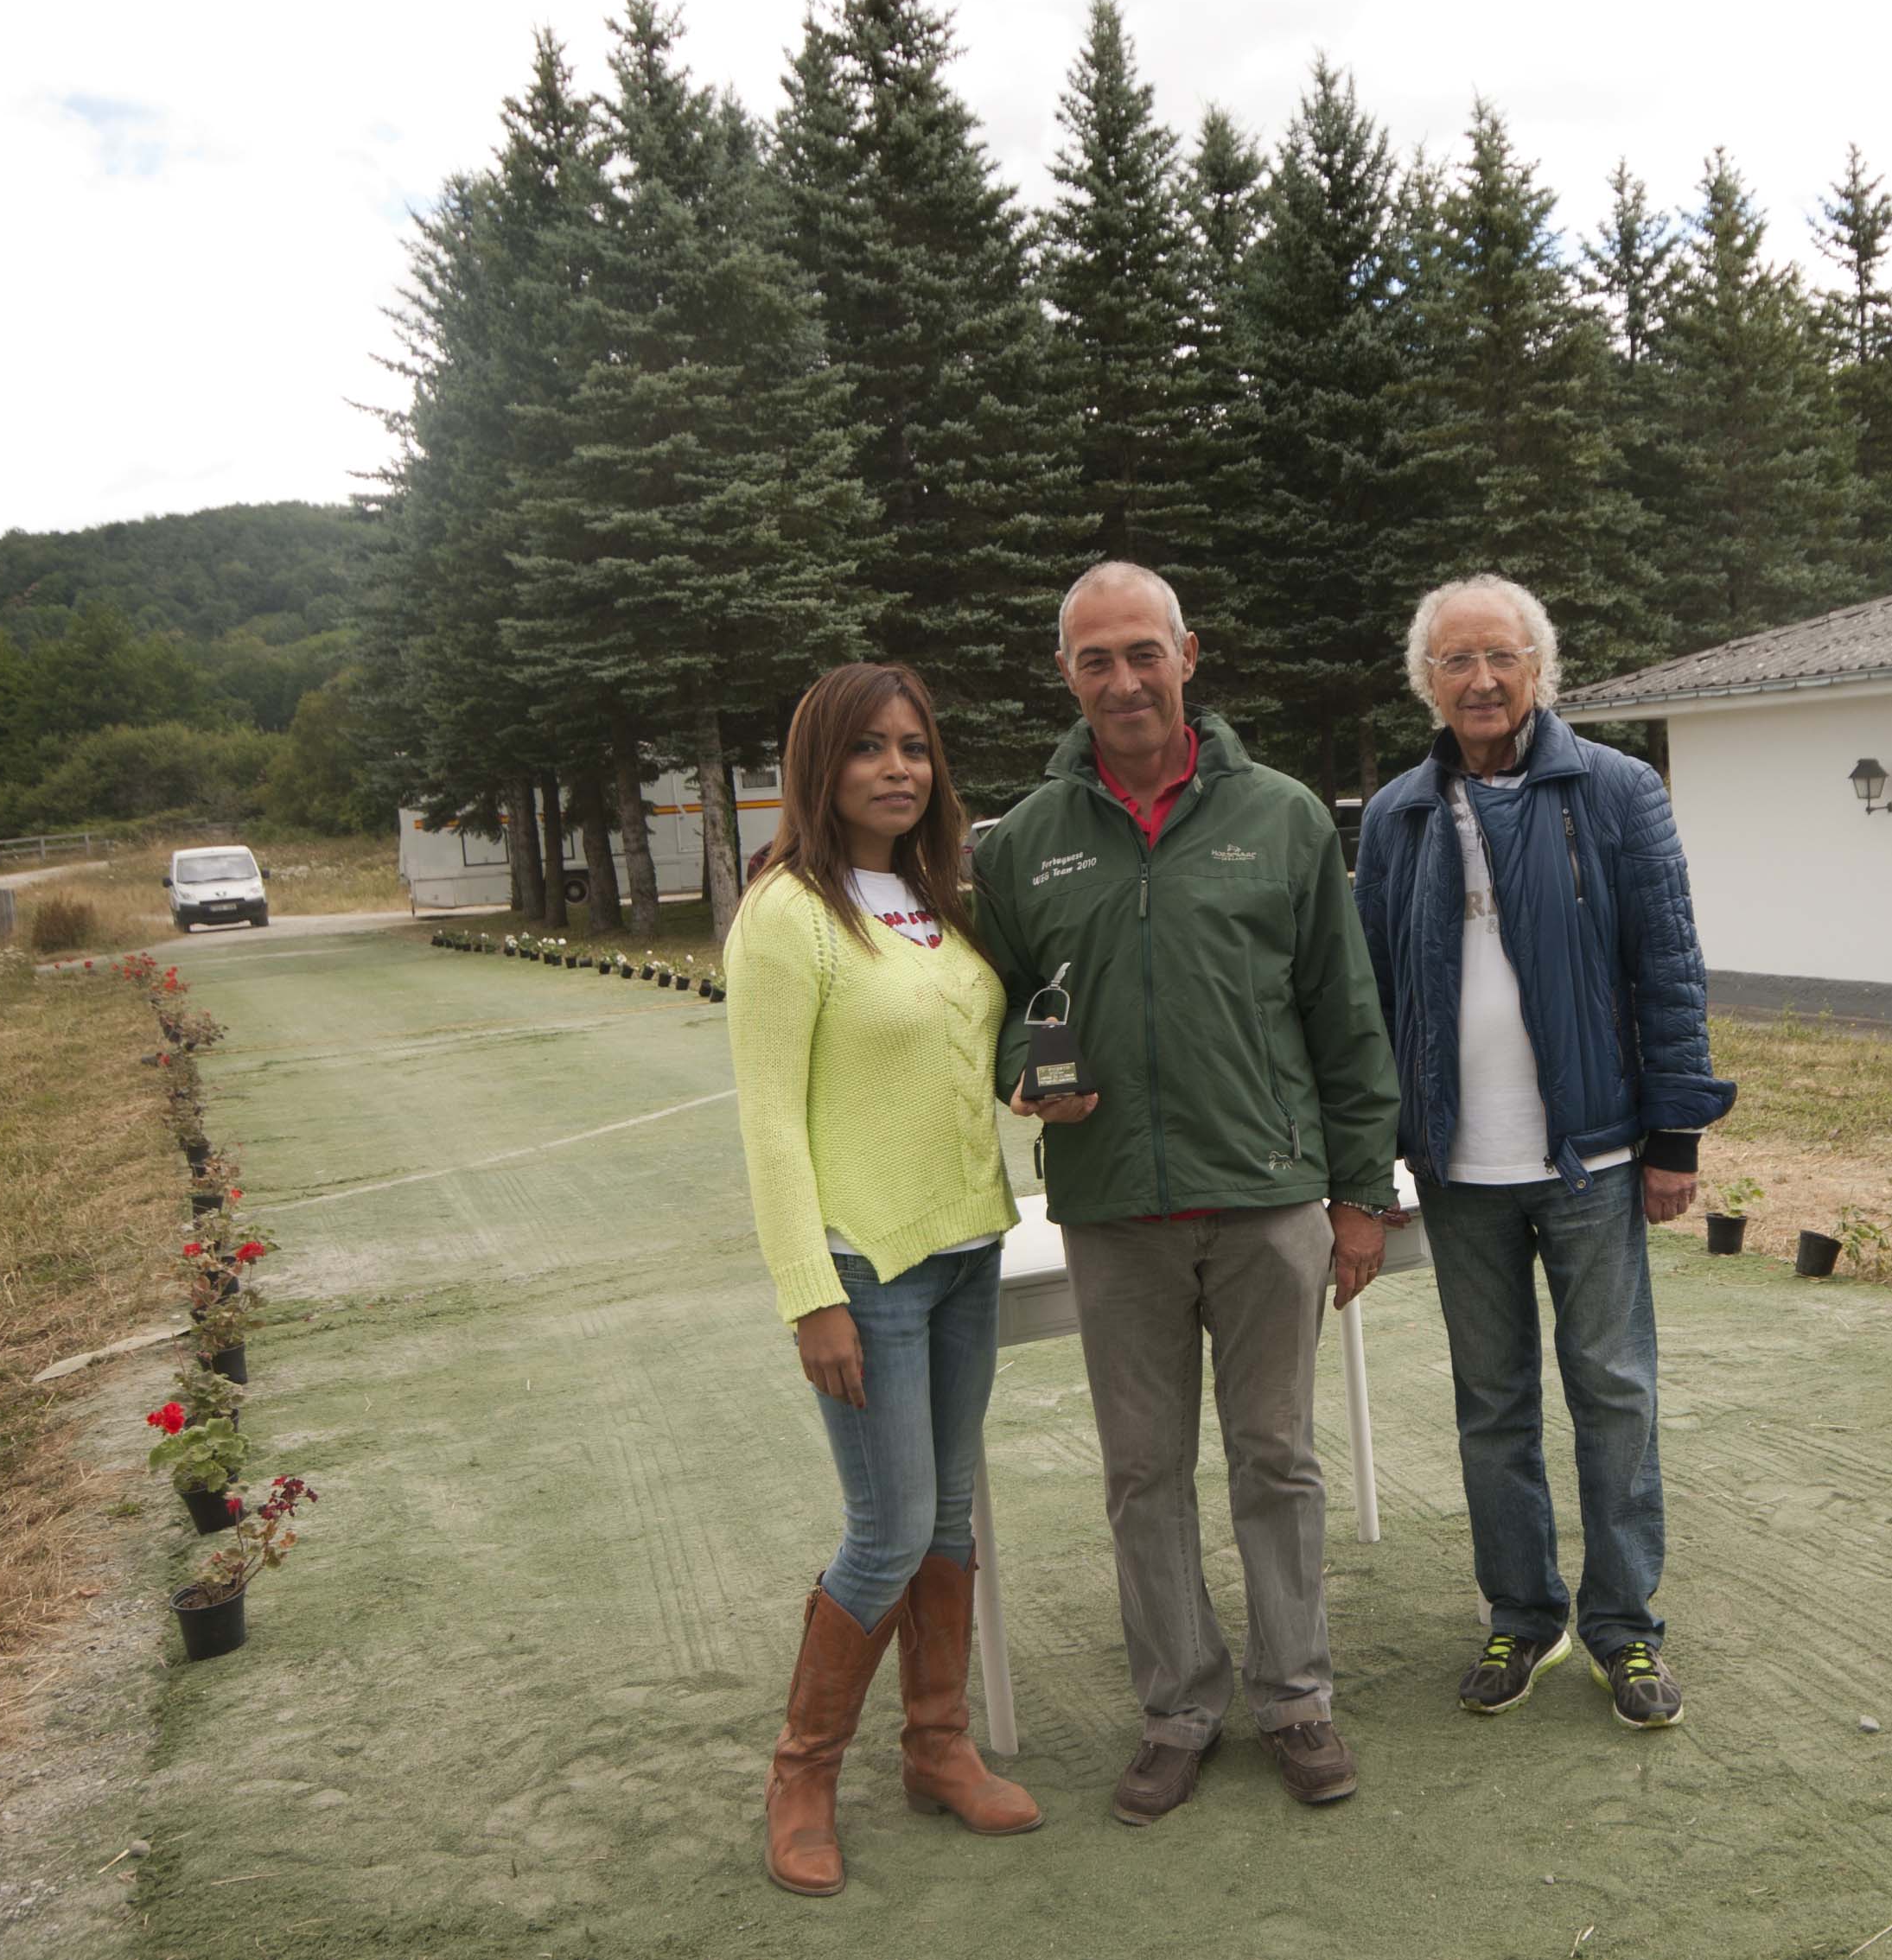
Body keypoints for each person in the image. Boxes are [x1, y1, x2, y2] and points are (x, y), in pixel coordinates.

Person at [974, 562, 1403, 1824]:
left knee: (1275, 1455)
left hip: (1267, 1195)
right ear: (1067, 675)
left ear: (1187, 655)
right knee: (1140, 1471)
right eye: (1094, 659)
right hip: (1111, 1209)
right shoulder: (1026, 841)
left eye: (1141, 652)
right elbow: (997, 1010)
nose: (1122, 680)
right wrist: (1022, 1076)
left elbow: (1345, 1013)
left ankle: (1295, 1697)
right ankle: (1177, 1708)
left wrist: (1359, 1192)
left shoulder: (1282, 816)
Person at [1353, 576, 1735, 1729]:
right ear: (1427, 680)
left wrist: (1673, 1132)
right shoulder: (1394, 816)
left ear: (1539, 669)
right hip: (1458, 1169)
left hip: (1597, 1158)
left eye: (1501, 657)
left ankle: (1624, 1629)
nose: (1480, 680)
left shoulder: (1615, 792)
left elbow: (1667, 966)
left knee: (1612, 1391)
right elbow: (1366, 1000)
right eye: (1456, 661)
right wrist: (1377, 1160)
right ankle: (1522, 1615)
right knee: (1490, 1402)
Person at [723, 661, 1038, 1899]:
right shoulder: (786, 912)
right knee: (890, 1526)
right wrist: (811, 1291)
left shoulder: (933, 896)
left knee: (949, 1515)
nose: (897, 768)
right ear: (821, 766)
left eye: (913, 746)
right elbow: (767, 1124)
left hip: (968, 1247)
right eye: (868, 748)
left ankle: (937, 1748)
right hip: (865, 1263)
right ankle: (801, 1771)